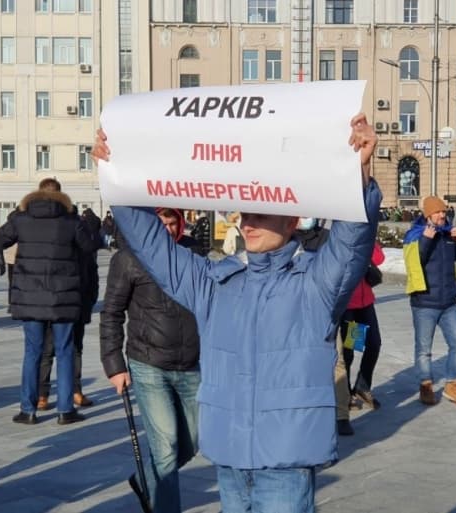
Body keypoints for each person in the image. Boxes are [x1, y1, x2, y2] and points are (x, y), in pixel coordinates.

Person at [92, 112, 382, 511]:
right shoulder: (215, 282)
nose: (248, 224)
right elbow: (152, 246)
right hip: (229, 457)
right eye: (245, 215)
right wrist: (118, 174)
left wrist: (359, 173)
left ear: (292, 219)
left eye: (261, 214)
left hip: (285, 461)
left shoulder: (315, 283)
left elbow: (351, 244)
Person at [100, 209, 202, 513]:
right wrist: (114, 364)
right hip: (148, 363)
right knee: (166, 447)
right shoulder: (128, 258)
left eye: (173, 223)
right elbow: (111, 313)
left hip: (191, 363)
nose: (168, 229)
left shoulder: (193, 251)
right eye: (162, 223)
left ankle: (146, 479)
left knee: (194, 441)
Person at [0, 177, 97, 425]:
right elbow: (89, 246)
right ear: (61, 195)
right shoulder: (71, 221)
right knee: (65, 352)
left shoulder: (21, 219)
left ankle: (28, 410)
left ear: (37, 193)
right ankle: (65, 410)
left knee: (33, 352)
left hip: (30, 297)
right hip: (63, 296)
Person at [403, 195, 456, 407]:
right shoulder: (415, 235)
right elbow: (414, 264)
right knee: (424, 349)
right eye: (437, 212)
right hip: (424, 303)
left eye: (443, 212)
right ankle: (426, 386)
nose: (442, 215)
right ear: (428, 215)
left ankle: (452, 385)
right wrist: (426, 240)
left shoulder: (449, 235)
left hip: (449, 302)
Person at [294, 218, 355, 436]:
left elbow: (376, 258)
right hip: (310, 310)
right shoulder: (288, 239)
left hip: (354, 310)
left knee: (357, 350)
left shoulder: (329, 238)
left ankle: (352, 399)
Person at [37, 206, 102, 410]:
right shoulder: (53, 247)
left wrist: (90, 299)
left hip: (78, 304)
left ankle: (75, 391)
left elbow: (93, 276)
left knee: (75, 349)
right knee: (48, 350)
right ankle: (42, 394)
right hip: (55, 306)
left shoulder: (85, 249)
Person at [340, 241, 385, 410]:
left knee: (374, 344)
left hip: (365, 303)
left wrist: (369, 239)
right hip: (348, 306)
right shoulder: (341, 239)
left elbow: (379, 258)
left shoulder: (365, 238)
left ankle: (362, 387)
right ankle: (345, 393)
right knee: (349, 351)